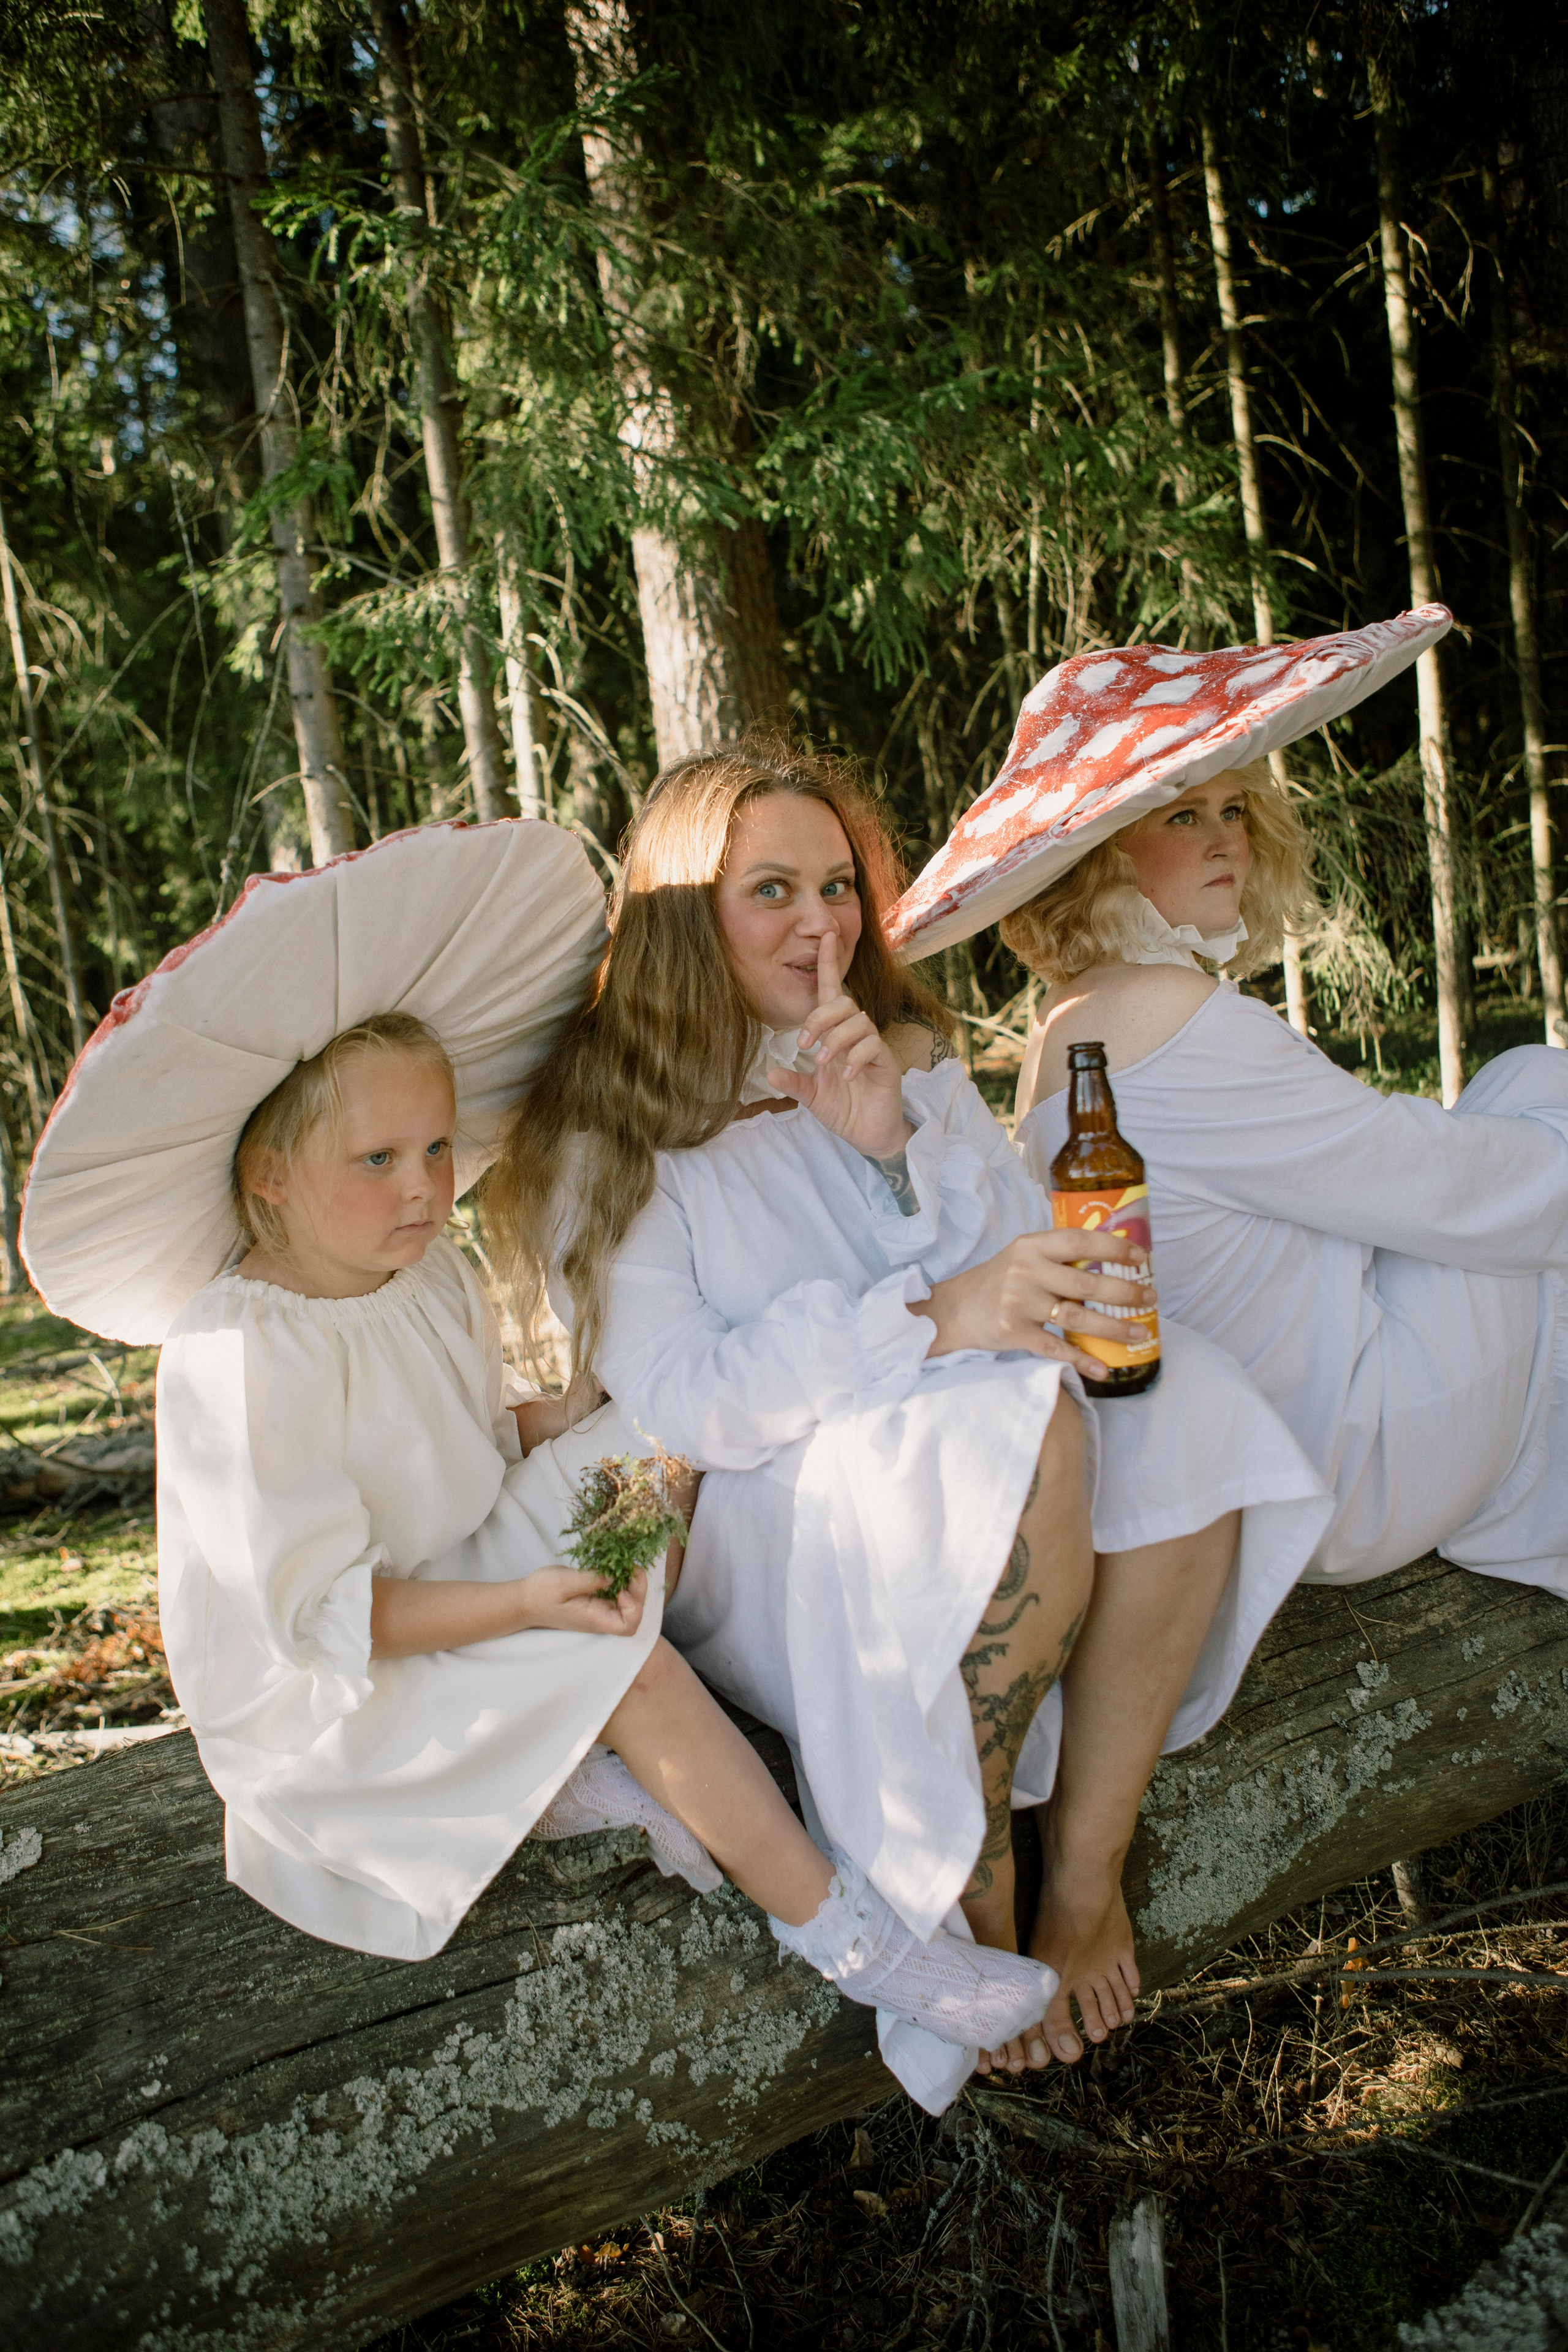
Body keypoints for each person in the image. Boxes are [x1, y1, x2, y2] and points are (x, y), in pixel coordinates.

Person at [21, 824, 1057, 2064]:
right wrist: (527, 1604)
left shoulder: (412, 1271)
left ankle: (602, 1740)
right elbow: (320, 1615)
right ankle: (858, 1943)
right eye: (377, 1161)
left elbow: (454, 1444)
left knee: (663, 1433)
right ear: (268, 1176)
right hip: (343, 1693)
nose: (422, 1187)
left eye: (437, 1151)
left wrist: (564, 1420)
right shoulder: (241, 1354)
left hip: (453, 1563)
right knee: (626, 1657)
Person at [486, 740, 1332, 2095]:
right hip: (772, 1500)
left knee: (1186, 1405)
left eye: (834, 885)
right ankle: (971, 1881)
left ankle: (1085, 1876)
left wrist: (890, 1150)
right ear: (681, 912)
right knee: (1013, 1434)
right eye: (769, 890)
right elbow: (689, 1399)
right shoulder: (611, 1124)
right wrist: (934, 1318)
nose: (818, 923)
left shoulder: (903, 1055)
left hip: (948, 1432)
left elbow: (1019, 1275)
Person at [889, 606, 1568, 1599]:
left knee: (1521, 1100)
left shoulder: (1063, 1030)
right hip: (1351, 1462)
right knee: (1536, 1088)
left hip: (1281, 1455)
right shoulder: (1168, 1012)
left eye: (1233, 810)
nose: (1226, 843)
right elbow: (1440, 1185)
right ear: (1104, 854)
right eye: (1181, 814)